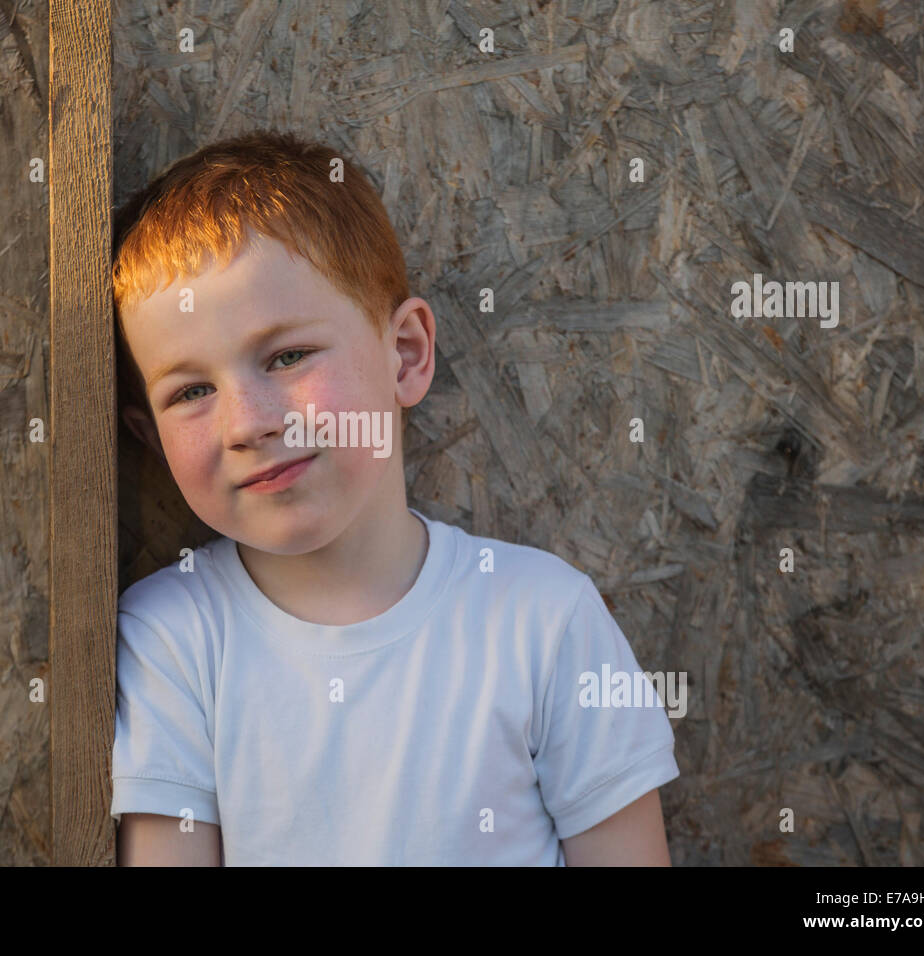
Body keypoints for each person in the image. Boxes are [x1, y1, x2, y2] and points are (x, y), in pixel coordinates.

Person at [109, 129, 679, 866]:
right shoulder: (171, 642)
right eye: (190, 391)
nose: (247, 422)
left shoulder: (544, 619)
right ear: (149, 438)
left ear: (405, 354)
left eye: (286, 357)